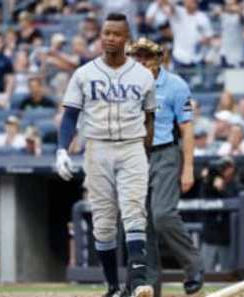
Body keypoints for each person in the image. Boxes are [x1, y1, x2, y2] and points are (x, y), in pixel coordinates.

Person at [55, 14, 156, 297]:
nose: (110, 38)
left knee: (135, 210)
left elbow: (150, 119)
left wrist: (145, 151)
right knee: (103, 221)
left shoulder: (143, 75)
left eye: (116, 34)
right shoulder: (84, 73)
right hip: (96, 147)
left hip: (131, 146)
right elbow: (70, 116)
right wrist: (62, 148)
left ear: (126, 39)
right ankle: (113, 287)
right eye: (106, 33)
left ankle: (137, 281)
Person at [127, 37, 204, 297]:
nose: (140, 62)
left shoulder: (175, 85)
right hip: (135, 155)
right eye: (136, 57)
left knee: (162, 216)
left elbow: (187, 128)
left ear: (157, 60)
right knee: (140, 222)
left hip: (165, 153)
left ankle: (194, 265)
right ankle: (148, 284)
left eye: (146, 57)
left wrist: (188, 167)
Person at [200, 157, 244, 272]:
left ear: (233, 169)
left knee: (226, 272)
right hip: (209, 236)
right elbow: (203, 199)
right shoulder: (210, 183)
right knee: (205, 271)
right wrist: (206, 180)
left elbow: (235, 200)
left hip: (226, 237)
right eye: (222, 167)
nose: (223, 170)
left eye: (226, 167)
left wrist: (222, 188)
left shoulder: (236, 185)